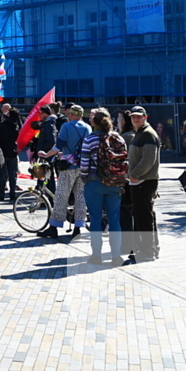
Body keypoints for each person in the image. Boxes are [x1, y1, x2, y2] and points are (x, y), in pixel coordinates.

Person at [78, 108, 126, 265]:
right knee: (114, 220)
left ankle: (96, 256)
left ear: (94, 122)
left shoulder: (90, 139)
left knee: (96, 219)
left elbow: (84, 164)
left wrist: (85, 180)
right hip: (115, 183)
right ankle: (116, 256)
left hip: (94, 184)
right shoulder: (118, 138)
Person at [38, 104, 90, 239]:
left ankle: (54, 227)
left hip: (68, 167)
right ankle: (78, 228)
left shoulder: (66, 127)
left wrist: (47, 155)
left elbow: (58, 146)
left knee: (61, 196)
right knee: (80, 198)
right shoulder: (88, 127)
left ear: (70, 115)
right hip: (83, 167)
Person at [126, 106, 160, 263]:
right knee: (144, 215)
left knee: (144, 217)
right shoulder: (140, 133)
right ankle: (150, 249)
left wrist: (134, 175)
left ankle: (147, 251)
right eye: (133, 117)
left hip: (144, 181)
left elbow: (148, 159)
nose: (136, 119)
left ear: (145, 117)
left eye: (139, 117)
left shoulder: (147, 134)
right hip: (140, 181)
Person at [0, 105, 22, 200]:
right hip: (13, 152)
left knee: (2, 174)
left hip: (2, 152)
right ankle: (12, 193)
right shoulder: (16, 127)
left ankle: (1, 194)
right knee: (12, 174)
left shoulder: (1, 126)